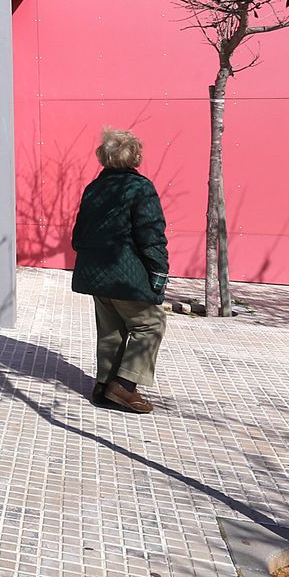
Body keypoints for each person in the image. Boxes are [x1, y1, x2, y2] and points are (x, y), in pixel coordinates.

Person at [71, 128, 170, 414]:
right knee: (150, 324)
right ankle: (124, 387)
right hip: (127, 274)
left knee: (111, 329)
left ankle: (103, 387)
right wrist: (159, 270)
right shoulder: (141, 188)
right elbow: (151, 234)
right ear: (135, 157)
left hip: (96, 272)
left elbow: (78, 236)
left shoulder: (94, 188)